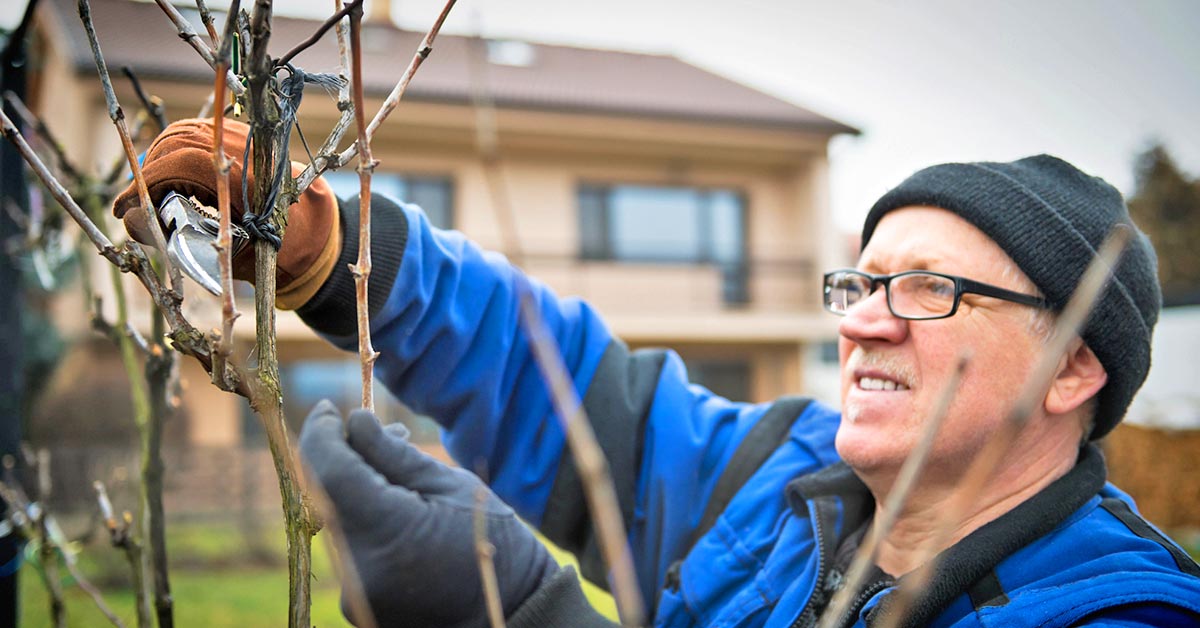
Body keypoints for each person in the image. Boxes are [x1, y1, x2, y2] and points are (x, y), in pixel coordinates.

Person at [114, 119, 1200, 627]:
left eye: (929, 290)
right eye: (858, 284)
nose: (866, 324)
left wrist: (529, 616)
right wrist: (332, 247)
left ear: (1073, 371)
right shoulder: (778, 481)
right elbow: (558, 383)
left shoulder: (1124, 619)